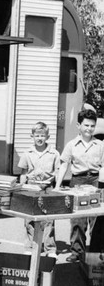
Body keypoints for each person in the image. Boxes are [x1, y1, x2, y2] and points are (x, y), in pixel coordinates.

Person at [55, 109, 104, 263]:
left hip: (96, 181)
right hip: (78, 181)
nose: (89, 129)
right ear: (78, 125)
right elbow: (63, 165)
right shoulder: (71, 145)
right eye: (86, 125)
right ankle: (77, 251)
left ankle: (95, 252)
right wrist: (57, 185)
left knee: (97, 219)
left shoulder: (100, 145)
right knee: (78, 220)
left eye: (92, 126)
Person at [18, 122, 59, 258]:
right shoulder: (27, 153)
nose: (40, 138)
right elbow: (23, 172)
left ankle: (50, 249)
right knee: (29, 219)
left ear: (47, 136)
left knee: (49, 220)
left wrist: (58, 188)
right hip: (31, 187)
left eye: (42, 135)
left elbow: (58, 172)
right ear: (32, 136)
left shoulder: (54, 153)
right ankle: (30, 246)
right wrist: (20, 189)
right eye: (37, 135)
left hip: (47, 188)